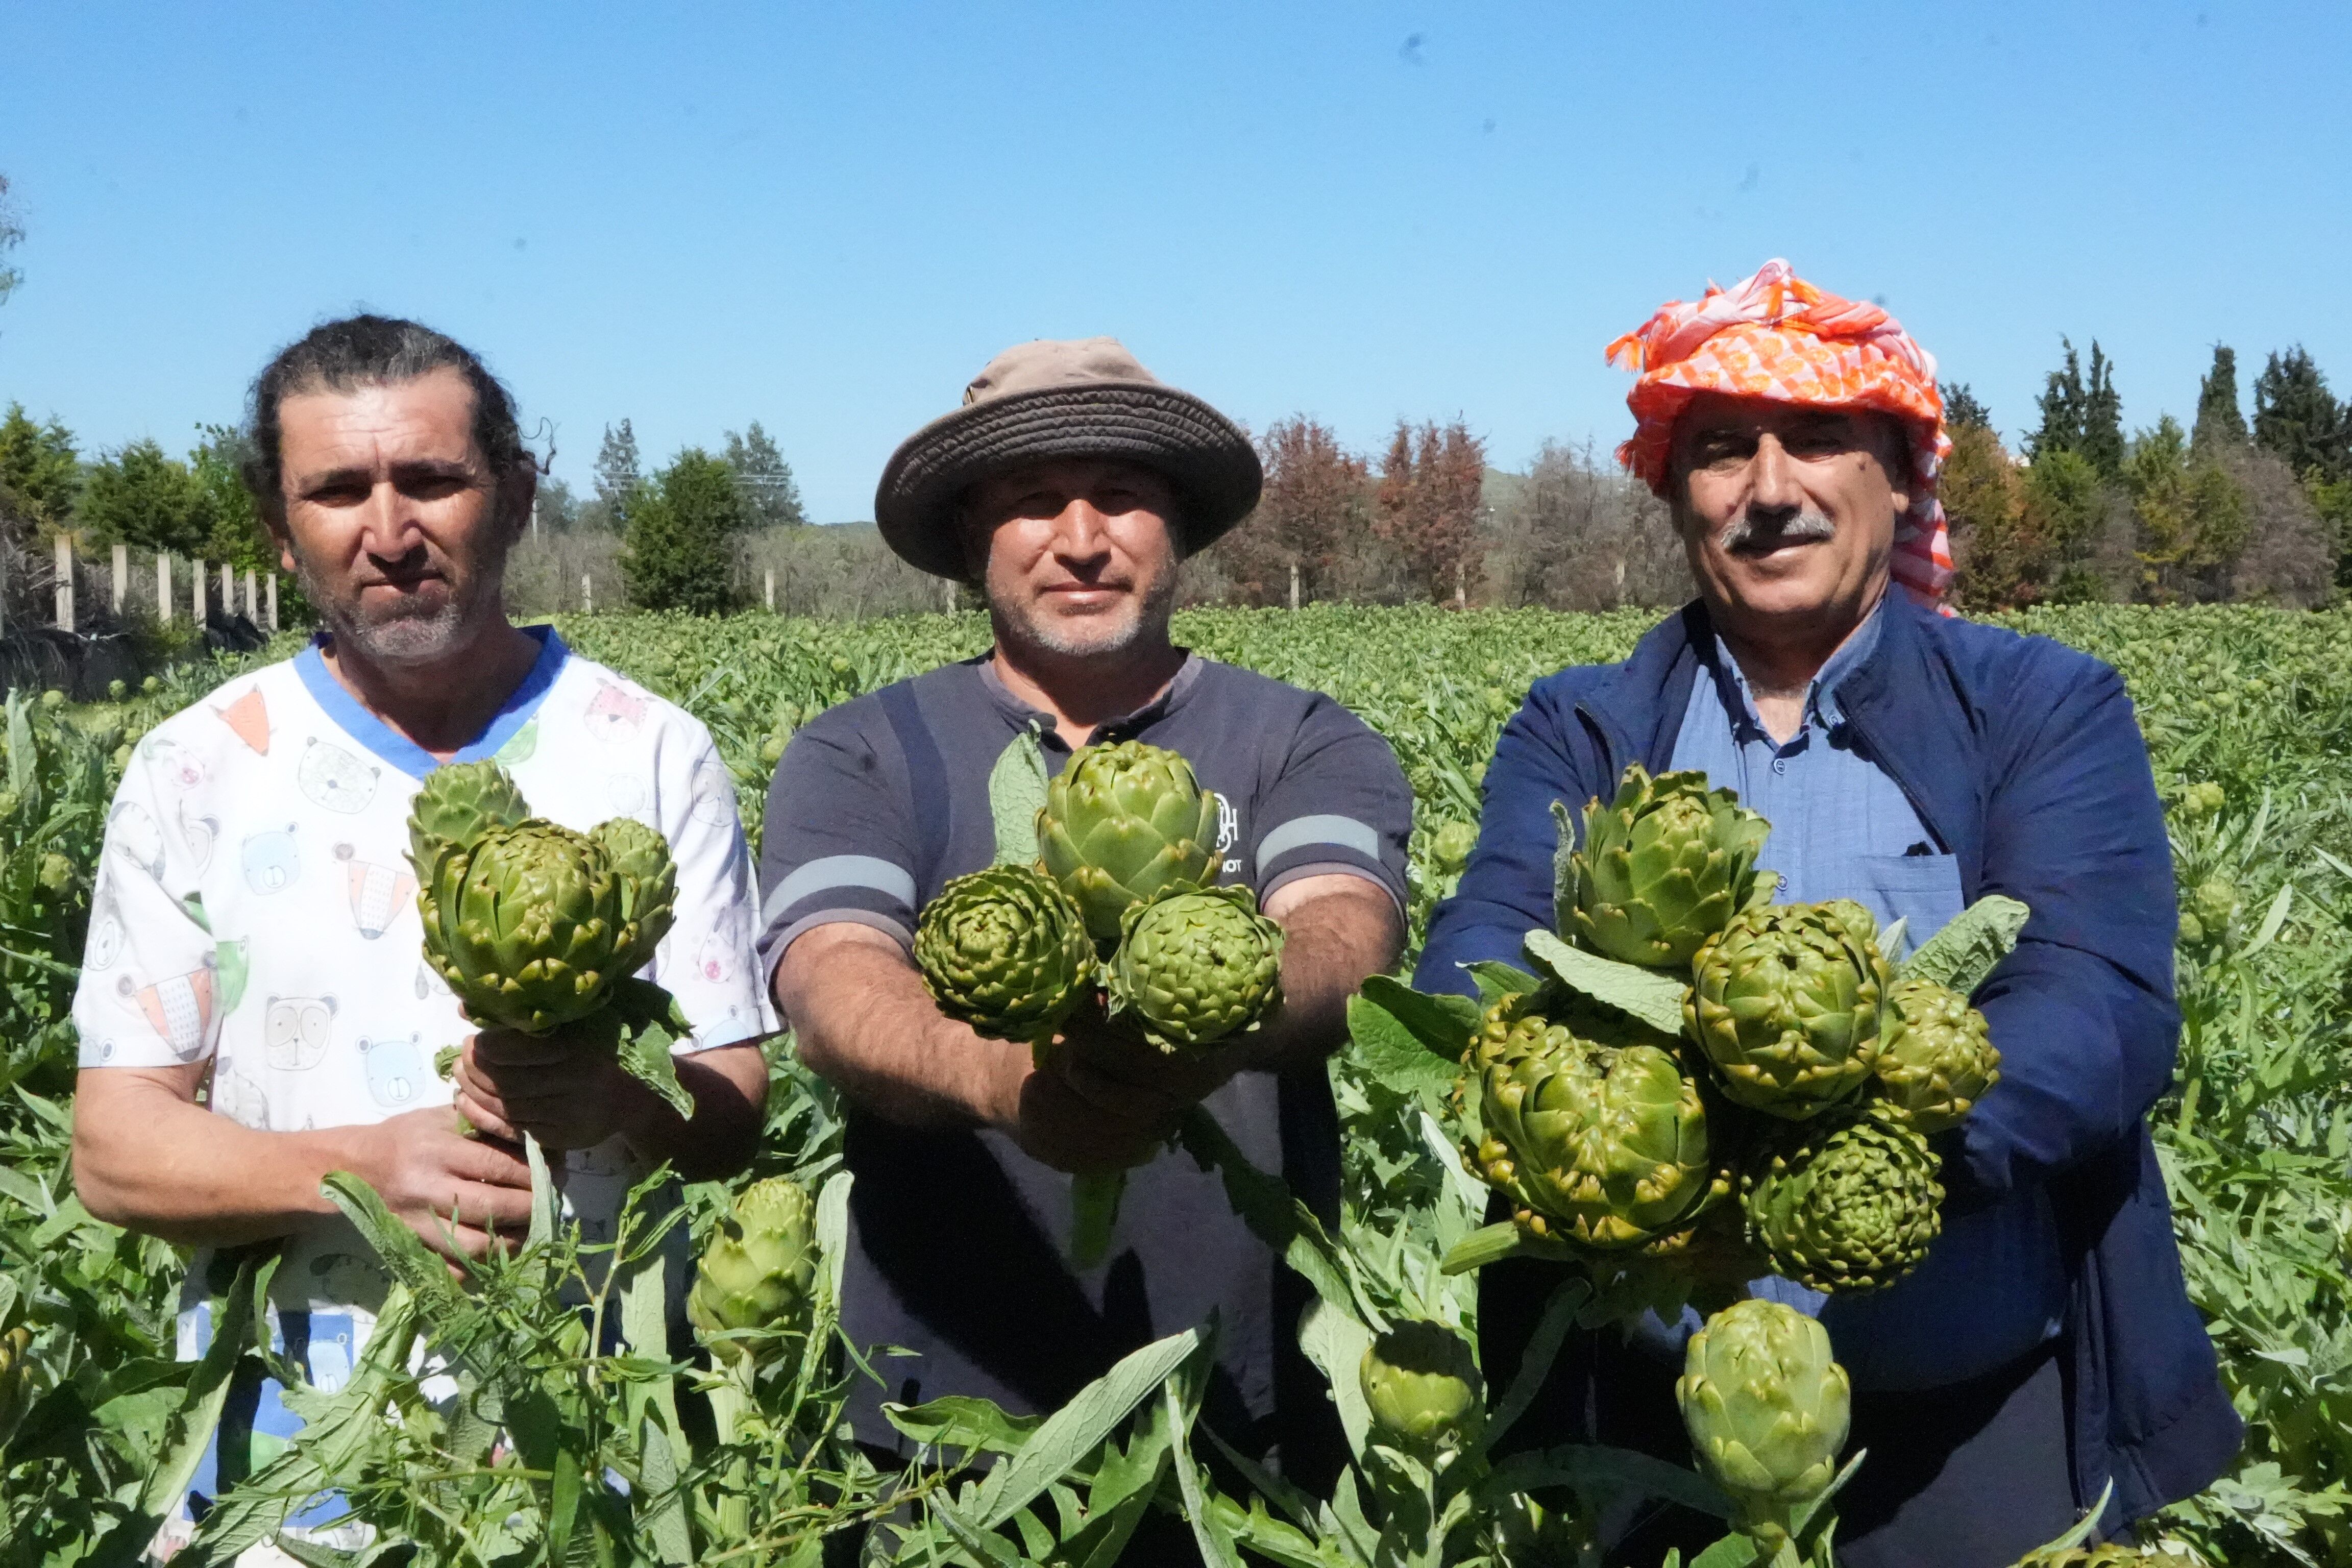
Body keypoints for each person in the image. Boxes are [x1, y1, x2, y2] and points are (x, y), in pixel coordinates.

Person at [1415, 262, 2240, 1565]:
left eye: (1816, 439)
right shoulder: (1584, 726)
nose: (1769, 488)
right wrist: (1640, 1154)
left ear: (1899, 476)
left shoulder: (2040, 707)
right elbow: (1476, 957)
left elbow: (2102, 1010)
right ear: (1675, 493)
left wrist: (1829, 1151)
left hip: (1971, 1438)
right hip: (1639, 1431)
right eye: (1722, 451)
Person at [70, 315, 774, 1550]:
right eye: (338, 491)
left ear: (516, 498)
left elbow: (733, 1111)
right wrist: (361, 1175)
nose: (389, 532)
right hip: (283, 1486)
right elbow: (114, 1149)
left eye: (433, 480)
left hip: (599, 1465)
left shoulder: (654, 753)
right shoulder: (195, 770)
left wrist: (614, 1100)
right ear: (277, 527)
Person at [758, 338, 1412, 1522]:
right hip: (942, 1424)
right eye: (1030, 500)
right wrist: (1005, 1080)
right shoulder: (863, 751)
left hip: (1250, 1414)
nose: (1080, 538)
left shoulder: (1300, 738)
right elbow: (831, 979)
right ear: (973, 533)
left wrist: (1221, 1019)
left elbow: (1343, 934)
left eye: (1120, 494)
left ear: (1179, 527)